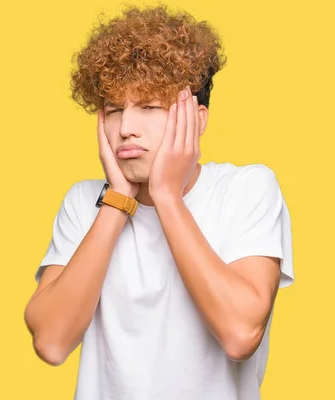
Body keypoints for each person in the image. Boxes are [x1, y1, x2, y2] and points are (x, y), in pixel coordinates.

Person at [23, 4, 294, 400]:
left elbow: (240, 334)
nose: (126, 130)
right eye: (114, 111)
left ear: (197, 120)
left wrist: (167, 195)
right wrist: (117, 202)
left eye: (149, 107)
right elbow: (51, 342)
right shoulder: (85, 202)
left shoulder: (246, 189)